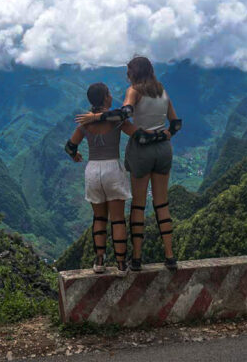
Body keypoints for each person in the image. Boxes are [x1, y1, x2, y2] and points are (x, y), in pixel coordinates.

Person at [76, 56, 182, 271]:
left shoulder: (133, 91)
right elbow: (176, 123)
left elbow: (125, 114)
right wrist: (165, 135)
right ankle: (170, 256)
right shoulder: (162, 92)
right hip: (163, 151)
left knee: (138, 206)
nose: (126, 75)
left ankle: (137, 259)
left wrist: (96, 117)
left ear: (134, 73)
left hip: (141, 150)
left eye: (128, 71)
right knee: (162, 204)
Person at [65, 82, 138, 275]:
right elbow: (135, 133)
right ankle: (121, 263)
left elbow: (70, 146)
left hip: (93, 169)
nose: (112, 95)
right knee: (117, 219)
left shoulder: (85, 123)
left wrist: (75, 156)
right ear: (106, 98)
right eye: (109, 93)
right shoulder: (116, 120)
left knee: (99, 218)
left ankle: (99, 261)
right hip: (112, 168)